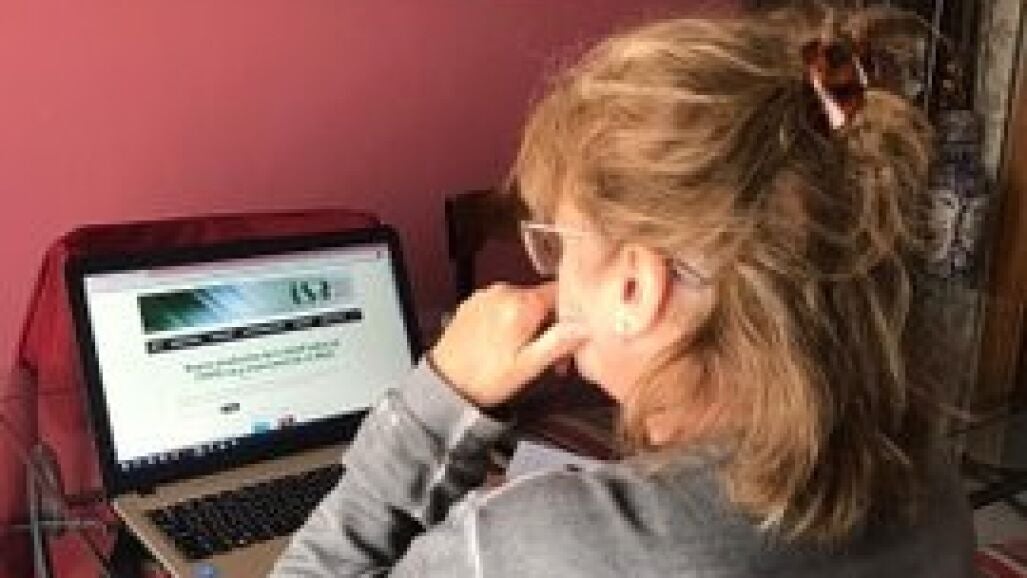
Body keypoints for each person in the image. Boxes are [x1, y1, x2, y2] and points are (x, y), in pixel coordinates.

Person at [271, 5, 975, 576]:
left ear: (636, 286)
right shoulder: (924, 470)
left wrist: (439, 400)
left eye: (556, 244)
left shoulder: (533, 543)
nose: (549, 274)